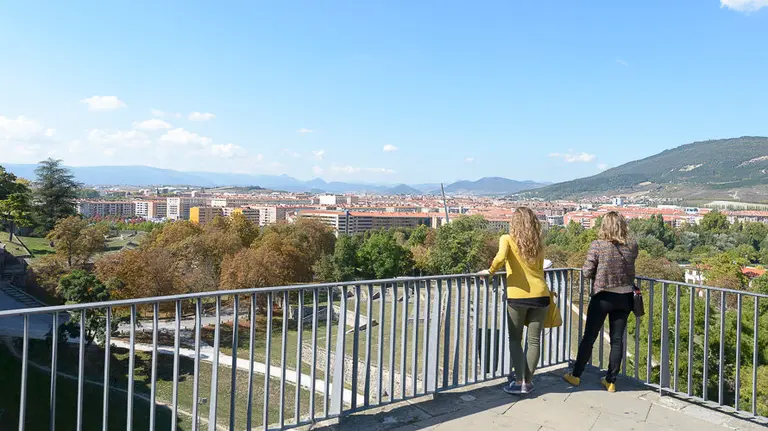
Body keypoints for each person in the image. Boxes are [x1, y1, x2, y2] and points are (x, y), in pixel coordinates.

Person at [564, 211, 638, 393]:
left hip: (603, 297)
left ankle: (576, 375)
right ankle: (611, 381)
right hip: (625, 297)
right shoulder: (632, 246)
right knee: (617, 340)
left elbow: (587, 271)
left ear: (604, 226)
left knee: (589, 336)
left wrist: (600, 273)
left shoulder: (597, 245)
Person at [479, 207, 550, 395]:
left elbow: (500, 257)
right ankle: (528, 381)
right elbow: (541, 267)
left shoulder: (507, 239)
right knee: (534, 341)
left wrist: (490, 271)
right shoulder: (538, 243)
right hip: (541, 294)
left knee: (515, 339)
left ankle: (519, 382)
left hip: (518, 296)